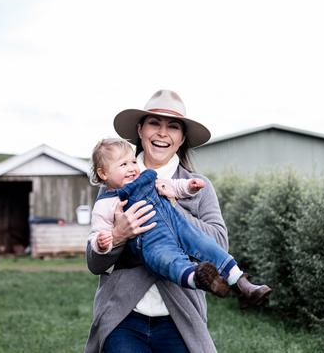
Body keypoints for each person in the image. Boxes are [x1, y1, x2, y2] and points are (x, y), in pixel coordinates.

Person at [85, 90, 267, 353]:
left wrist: (173, 209)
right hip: (123, 316)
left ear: (182, 138)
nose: (162, 133)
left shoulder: (197, 186)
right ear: (140, 129)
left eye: (173, 126)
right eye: (154, 123)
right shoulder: (115, 183)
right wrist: (118, 234)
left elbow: (218, 242)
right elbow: (94, 262)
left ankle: (226, 280)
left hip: (180, 318)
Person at [88, 138, 271, 300]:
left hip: (178, 223)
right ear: (104, 174)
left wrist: (189, 187)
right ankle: (199, 279)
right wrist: (108, 239)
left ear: (182, 137)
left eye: (133, 162)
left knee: (203, 242)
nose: (131, 168)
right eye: (123, 165)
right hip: (152, 240)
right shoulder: (107, 202)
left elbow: (173, 186)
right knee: (166, 259)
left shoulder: (148, 177)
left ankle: (241, 281)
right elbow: (98, 233)